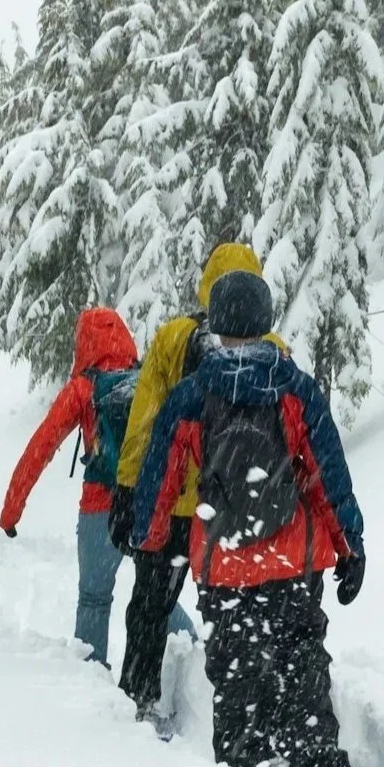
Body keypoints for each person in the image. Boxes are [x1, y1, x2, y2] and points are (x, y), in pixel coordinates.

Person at [131, 270, 364, 767]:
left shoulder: (192, 395)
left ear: (214, 324)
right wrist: (349, 544)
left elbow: (160, 477)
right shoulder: (295, 389)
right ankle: (313, 762)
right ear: (266, 320)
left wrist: (150, 536)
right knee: (301, 656)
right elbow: (329, 473)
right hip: (293, 559)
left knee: (237, 673)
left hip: (224, 562)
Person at [110, 242, 277, 717]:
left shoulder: (172, 337)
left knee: (149, 607)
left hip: (172, 508)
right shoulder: (274, 351)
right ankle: (239, 718)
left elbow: (144, 424)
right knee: (238, 619)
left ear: (208, 285)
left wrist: (128, 493)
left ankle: (137, 702)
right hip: (236, 515)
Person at [0, 307, 181, 668]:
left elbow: (41, 447)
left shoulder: (83, 389)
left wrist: (11, 512)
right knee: (158, 595)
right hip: (147, 505)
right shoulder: (146, 380)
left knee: (95, 599)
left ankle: (93, 692)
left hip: (99, 509)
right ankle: (188, 659)